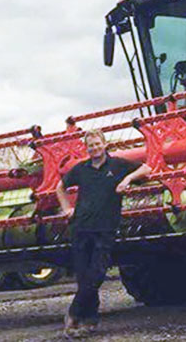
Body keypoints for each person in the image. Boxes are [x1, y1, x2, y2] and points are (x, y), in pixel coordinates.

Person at [55, 129, 151, 337]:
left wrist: (127, 180)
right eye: (90, 145)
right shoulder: (81, 169)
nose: (94, 148)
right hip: (81, 227)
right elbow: (60, 187)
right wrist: (66, 208)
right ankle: (90, 321)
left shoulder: (117, 165)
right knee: (84, 276)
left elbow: (146, 169)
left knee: (96, 275)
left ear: (104, 144)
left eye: (97, 144)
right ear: (86, 147)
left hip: (105, 228)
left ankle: (72, 315)